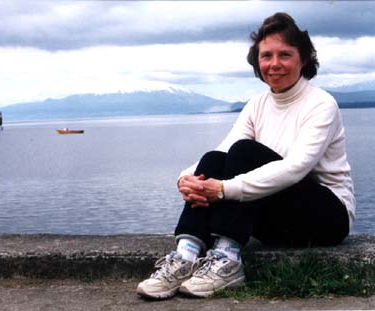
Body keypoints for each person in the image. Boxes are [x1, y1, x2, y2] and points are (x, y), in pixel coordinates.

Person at [136, 12, 355, 299]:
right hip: (277, 217)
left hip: (326, 218)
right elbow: (224, 149)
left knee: (245, 153)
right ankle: (186, 255)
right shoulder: (257, 104)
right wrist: (186, 181)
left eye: (285, 55)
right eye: (266, 56)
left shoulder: (321, 104)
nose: (274, 64)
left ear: (303, 60)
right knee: (215, 158)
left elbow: (296, 167)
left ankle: (228, 259)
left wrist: (224, 190)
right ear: (257, 61)